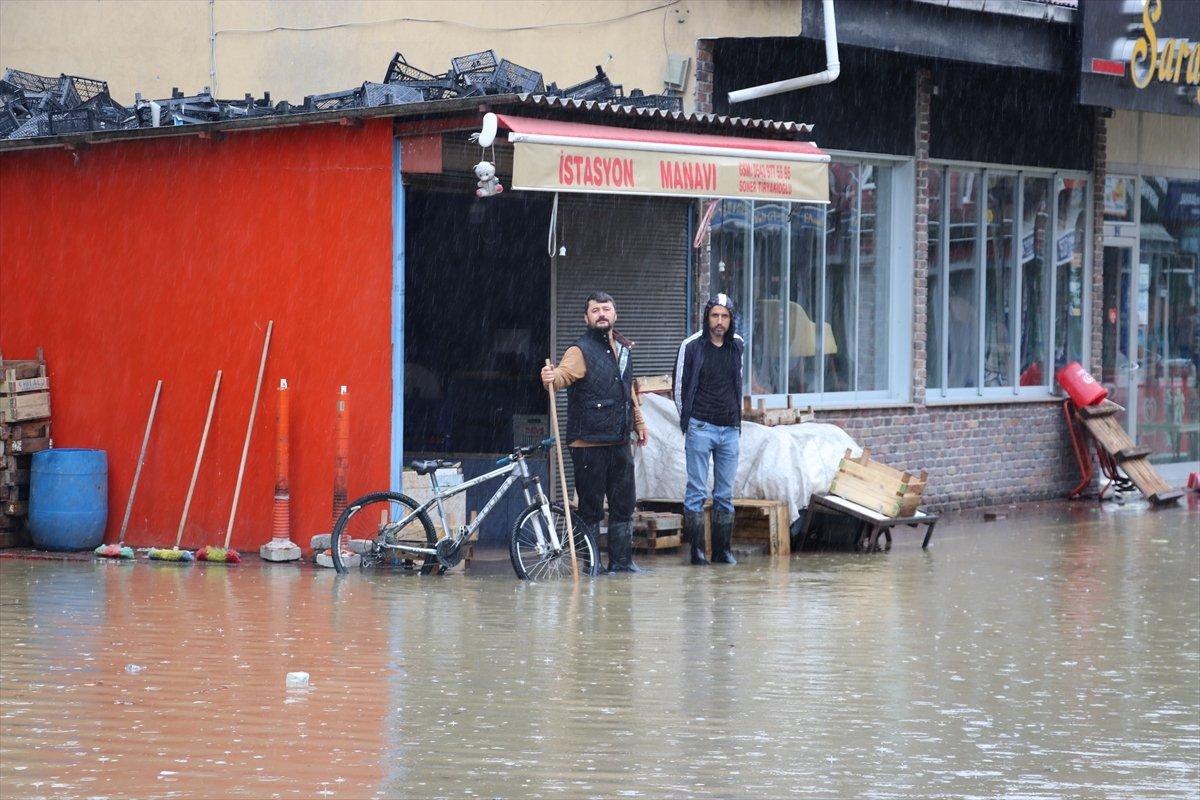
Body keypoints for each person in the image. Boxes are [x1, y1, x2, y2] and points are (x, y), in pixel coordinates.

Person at [541, 292, 649, 574]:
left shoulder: (624, 349)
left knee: (623, 504)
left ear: (615, 315)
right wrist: (551, 378)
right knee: (590, 508)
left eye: (606, 309)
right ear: (586, 318)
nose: (601, 314)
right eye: (595, 310)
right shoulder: (579, 350)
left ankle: (622, 563)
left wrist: (639, 423)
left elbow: (629, 393)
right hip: (587, 441)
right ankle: (592, 566)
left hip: (619, 439)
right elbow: (563, 376)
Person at [673, 293, 744, 565]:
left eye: (724, 316)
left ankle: (723, 550)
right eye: (715, 315)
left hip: (729, 429)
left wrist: (737, 422)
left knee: (725, 494)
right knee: (696, 492)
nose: (719, 322)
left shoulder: (737, 344)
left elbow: (738, 381)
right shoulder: (691, 346)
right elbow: (678, 388)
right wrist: (688, 422)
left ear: (731, 320)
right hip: (700, 426)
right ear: (706, 317)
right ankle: (698, 551)